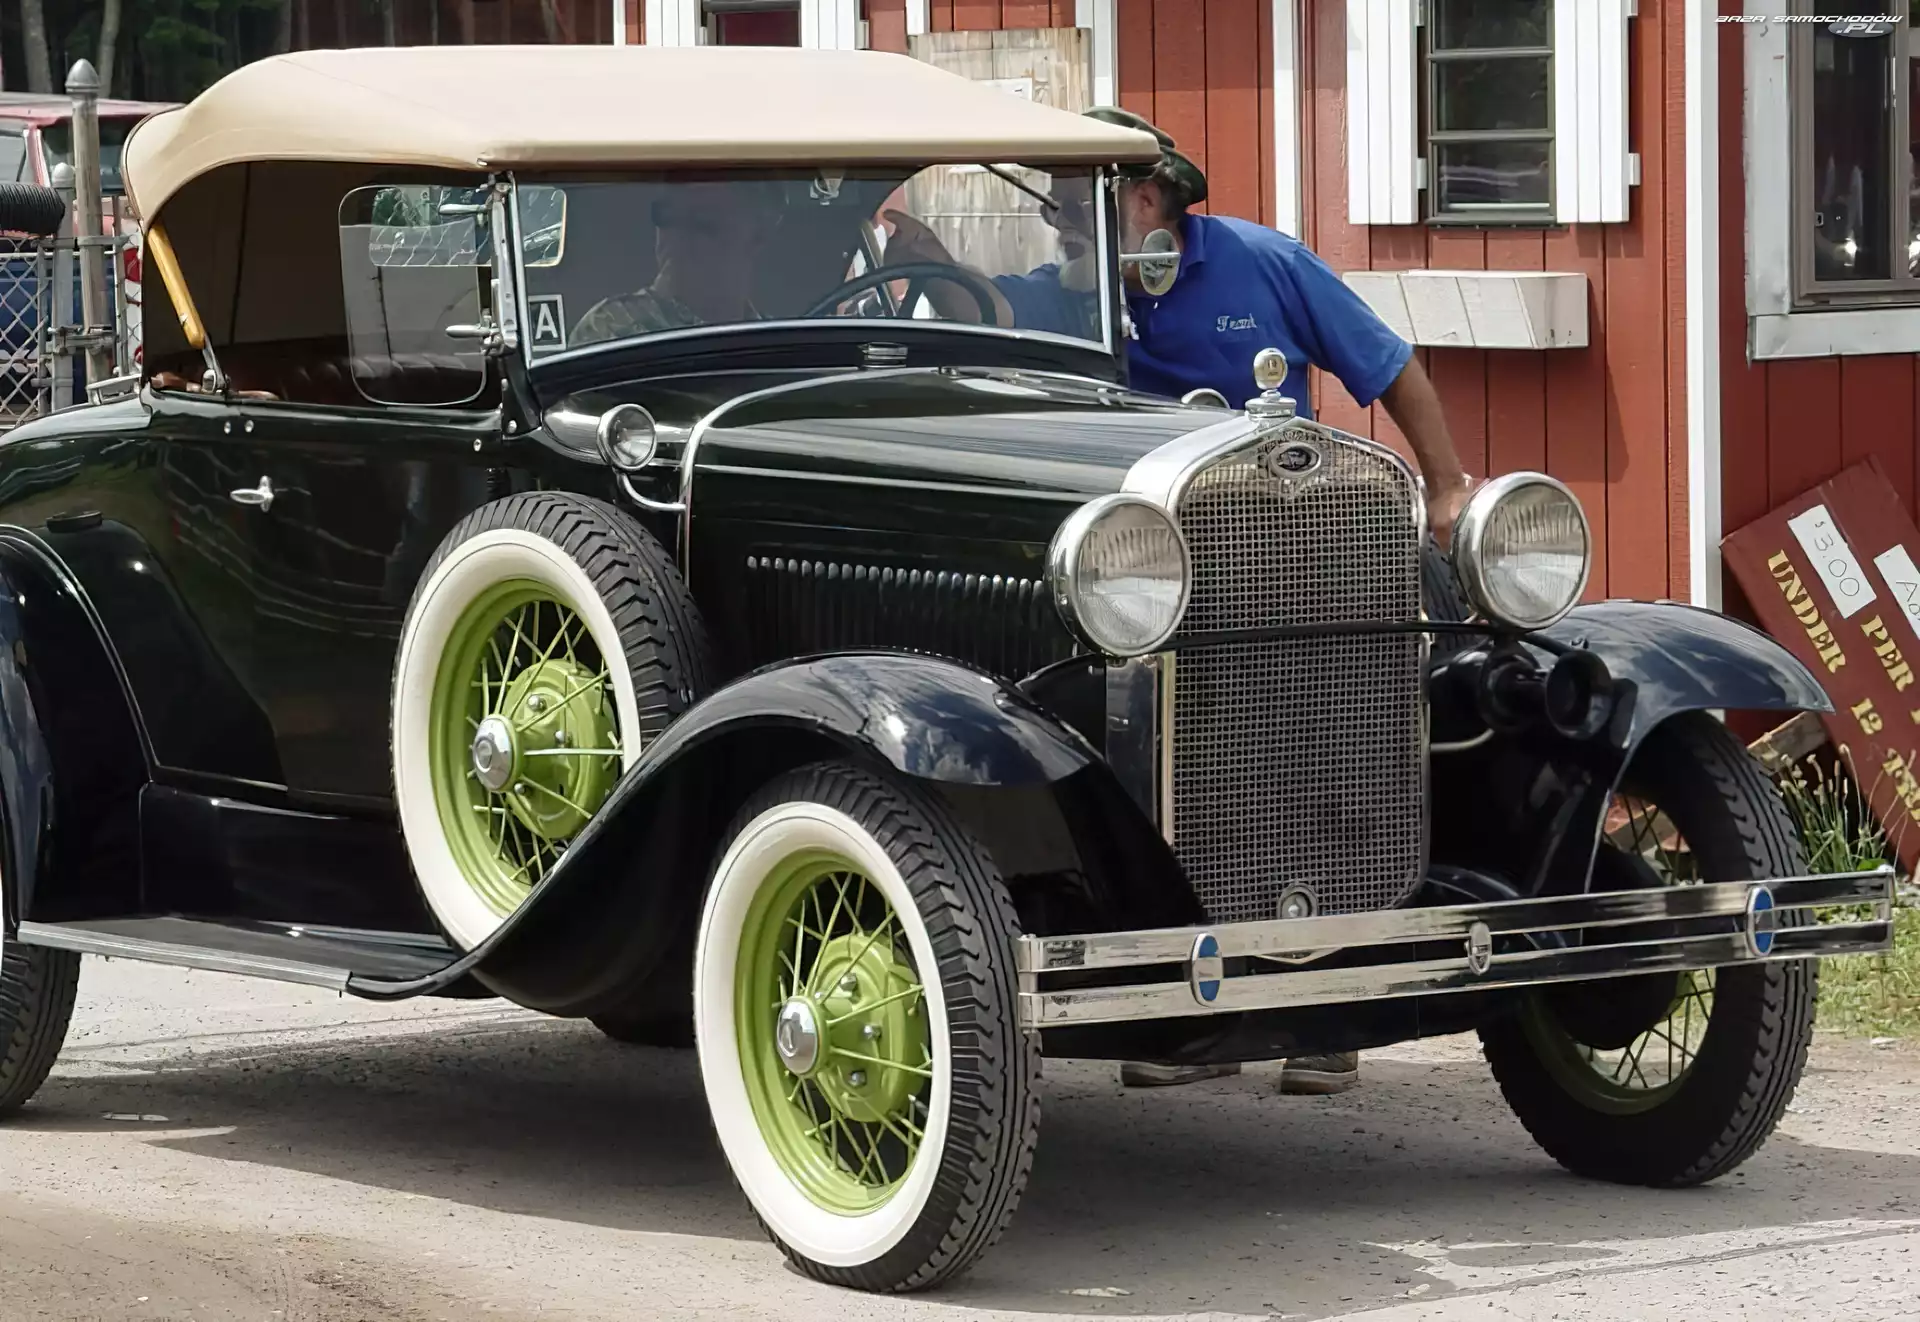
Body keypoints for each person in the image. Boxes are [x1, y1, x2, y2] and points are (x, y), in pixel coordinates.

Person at [902, 110, 1475, 1096]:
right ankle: (1185, 1005)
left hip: (1300, 558)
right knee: (1176, 771)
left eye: (1076, 203)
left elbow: (1385, 362)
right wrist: (928, 258)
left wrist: (1449, 484)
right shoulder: (1072, 295)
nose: (1059, 225)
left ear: (1144, 197)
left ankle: (1323, 1010)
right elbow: (983, 319)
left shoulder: (1265, 262)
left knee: (1327, 756)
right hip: (1161, 579)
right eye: (1057, 206)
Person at [571, 181, 771, 347]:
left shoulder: (774, 340)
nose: (677, 236)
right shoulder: (613, 328)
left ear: (757, 236)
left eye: (704, 221)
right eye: (666, 216)